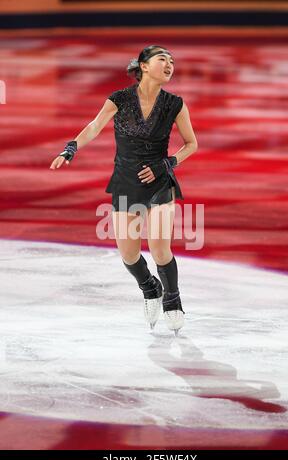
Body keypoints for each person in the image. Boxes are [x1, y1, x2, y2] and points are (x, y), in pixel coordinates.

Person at [50, 45, 198, 335]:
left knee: (159, 248)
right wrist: (71, 147)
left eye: (172, 61)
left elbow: (191, 144)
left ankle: (172, 298)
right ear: (143, 65)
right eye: (162, 59)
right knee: (129, 254)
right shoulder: (119, 99)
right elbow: (94, 126)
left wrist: (166, 164)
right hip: (126, 182)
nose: (169, 65)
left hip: (158, 183)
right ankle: (150, 287)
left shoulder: (175, 104)